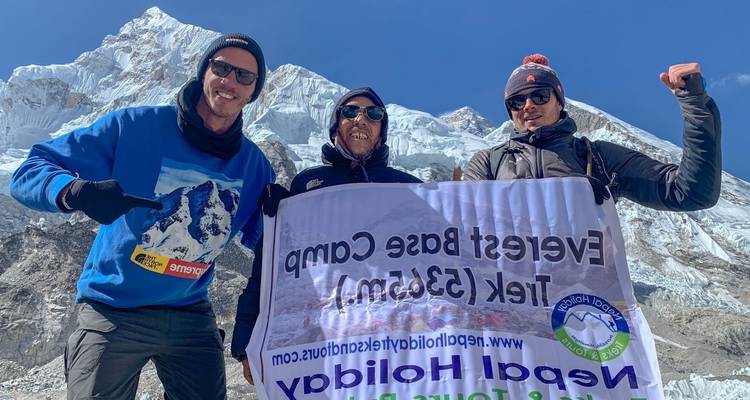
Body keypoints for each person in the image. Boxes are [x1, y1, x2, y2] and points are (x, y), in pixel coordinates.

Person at [8, 33, 275, 399]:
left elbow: (272, 244)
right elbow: (31, 169)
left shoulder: (255, 166)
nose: (230, 81)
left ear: (253, 91)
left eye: (244, 76)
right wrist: (73, 192)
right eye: (222, 68)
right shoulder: (134, 127)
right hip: (113, 309)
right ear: (203, 72)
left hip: (190, 313)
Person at [231, 87, 422, 384]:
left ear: (381, 132)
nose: (361, 118)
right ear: (335, 128)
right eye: (350, 111)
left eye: (374, 114)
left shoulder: (411, 188)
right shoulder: (307, 184)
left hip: (394, 341)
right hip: (321, 341)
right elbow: (270, 271)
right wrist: (247, 342)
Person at [464, 54, 721, 211]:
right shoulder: (488, 163)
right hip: (509, 297)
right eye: (517, 102)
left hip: (584, 299)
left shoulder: (596, 157)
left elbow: (690, 193)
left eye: (540, 95)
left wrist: (695, 104)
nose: (528, 106)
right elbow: (457, 221)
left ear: (559, 102)